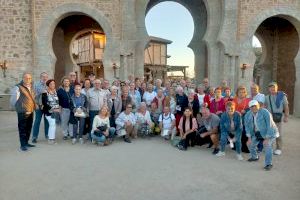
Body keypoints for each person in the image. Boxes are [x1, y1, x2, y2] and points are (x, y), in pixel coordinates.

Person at [245, 100, 279, 171]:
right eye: (252, 106)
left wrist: (266, 138)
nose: (254, 107)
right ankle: (254, 157)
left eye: (255, 106)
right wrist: (249, 138)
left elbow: (270, 125)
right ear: (249, 108)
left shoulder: (265, 112)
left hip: (270, 132)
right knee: (250, 144)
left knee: (267, 145)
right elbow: (247, 126)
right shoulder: (247, 114)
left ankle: (268, 164)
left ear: (258, 106)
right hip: (258, 132)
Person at [10, 72, 36, 151]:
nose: (28, 80)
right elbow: (13, 100)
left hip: (31, 111)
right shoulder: (18, 87)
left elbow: (33, 97)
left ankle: (26, 142)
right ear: (23, 78)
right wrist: (18, 108)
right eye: (26, 78)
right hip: (22, 112)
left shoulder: (31, 87)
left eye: (29, 78)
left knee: (29, 127)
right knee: (22, 128)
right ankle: (23, 145)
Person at [265, 82, 289, 155]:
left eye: (274, 87)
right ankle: (270, 147)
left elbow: (286, 107)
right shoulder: (267, 97)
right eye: (271, 87)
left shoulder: (282, 96)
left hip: (278, 117)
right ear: (269, 89)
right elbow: (264, 106)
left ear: (277, 88)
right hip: (269, 117)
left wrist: (286, 116)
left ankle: (278, 148)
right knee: (269, 133)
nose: (272, 89)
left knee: (278, 133)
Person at [31, 72, 49, 143]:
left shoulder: (48, 85)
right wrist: (35, 104)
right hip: (39, 105)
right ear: (40, 77)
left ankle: (47, 135)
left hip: (47, 106)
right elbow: (33, 95)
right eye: (43, 77)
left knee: (47, 121)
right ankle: (34, 137)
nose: (44, 78)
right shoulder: (36, 84)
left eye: (46, 77)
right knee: (37, 121)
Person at [42, 79, 60, 144]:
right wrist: (53, 109)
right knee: (52, 124)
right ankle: (51, 139)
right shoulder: (45, 92)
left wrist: (58, 108)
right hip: (49, 112)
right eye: (51, 84)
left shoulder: (55, 91)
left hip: (56, 111)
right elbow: (44, 103)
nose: (53, 85)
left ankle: (50, 138)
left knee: (53, 124)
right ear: (48, 85)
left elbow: (57, 101)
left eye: (54, 84)